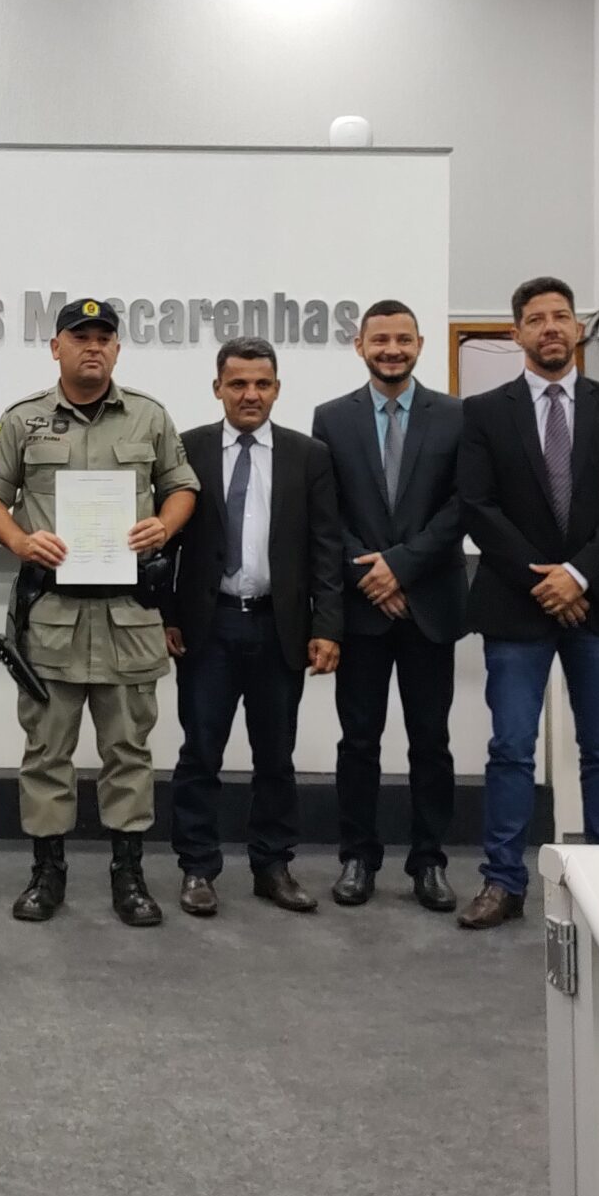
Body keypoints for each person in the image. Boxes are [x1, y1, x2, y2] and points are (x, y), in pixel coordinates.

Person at [0, 297, 198, 926]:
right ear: (56, 348)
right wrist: (21, 542)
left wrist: (164, 525)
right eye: (80, 337)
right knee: (47, 752)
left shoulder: (150, 416)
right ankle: (47, 874)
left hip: (129, 616)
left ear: (117, 349)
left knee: (129, 751)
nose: (92, 347)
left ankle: (129, 876)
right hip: (53, 617)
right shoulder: (24, 420)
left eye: (104, 337)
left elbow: (183, 486)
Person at [455, 275, 599, 930]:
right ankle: (503, 881)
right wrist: (546, 580)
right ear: (517, 334)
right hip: (516, 603)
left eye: (561, 316)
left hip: (598, 602)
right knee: (511, 748)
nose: (550, 328)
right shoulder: (485, 411)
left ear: (578, 327)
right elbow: (478, 505)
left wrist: (579, 575)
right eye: (536, 319)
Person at [161, 338, 341, 917]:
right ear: (217, 388)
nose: (250, 394)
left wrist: (328, 625)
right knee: (200, 753)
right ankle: (197, 867)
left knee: (276, 756)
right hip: (207, 627)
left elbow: (326, 548)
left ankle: (273, 866)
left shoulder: (308, 456)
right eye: (237, 383)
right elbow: (165, 542)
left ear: (277, 389)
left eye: (262, 384)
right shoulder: (186, 449)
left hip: (278, 626)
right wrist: (167, 615)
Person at [312, 299, 468, 913]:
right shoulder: (332, 418)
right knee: (358, 741)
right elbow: (327, 512)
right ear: (360, 346)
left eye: (403, 339)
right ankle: (358, 857)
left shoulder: (455, 416)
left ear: (420, 344)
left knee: (431, 741)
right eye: (380, 340)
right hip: (362, 608)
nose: (392, 350)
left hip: (430, 604)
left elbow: (461, 506)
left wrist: (400, 566)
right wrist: (371, 573)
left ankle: (429, 861)